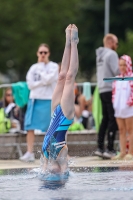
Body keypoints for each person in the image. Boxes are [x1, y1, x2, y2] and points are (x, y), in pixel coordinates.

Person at [41, 24, 79, 174]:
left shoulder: (45, 156)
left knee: (61, 76)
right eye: (53, 171)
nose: (51, 170)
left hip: (53, 114)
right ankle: (74, 43)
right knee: (69, 77)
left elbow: (42, 173)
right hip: (65, 117)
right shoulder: (62, 154)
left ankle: (67, 41)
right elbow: (65, 173)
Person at [20, 43, 59, 162]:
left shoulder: (53, 66)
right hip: (35, 99)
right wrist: (42, 81)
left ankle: (51, 151)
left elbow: (49, 80)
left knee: (51, 128)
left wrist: (41, 68)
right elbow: (30, 85)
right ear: (37, 53)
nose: (43, 55)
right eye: (41, 52)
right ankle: (29, 152)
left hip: (48, 99)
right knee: (30, 126)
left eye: (45, 52)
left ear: (48, 54)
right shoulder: (33, 67)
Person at [94, 33, 119, 159]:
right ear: (110, 42)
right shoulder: (112, 54)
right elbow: (116, 71)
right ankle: (109, 148)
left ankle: (100, 147)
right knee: (112, 118)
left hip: (101, 88)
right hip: (110, 88)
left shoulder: (100, 55)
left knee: (105, 118)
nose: (117, 46)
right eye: (116, 43)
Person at [112, 55, 133, 160]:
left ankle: (131, 152)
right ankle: (122, 152)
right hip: (119, 109)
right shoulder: (117, 79)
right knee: (121, 130)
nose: (122, 67)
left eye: (124, 65)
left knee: (130, 130)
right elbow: (114, 94)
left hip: (129, 109)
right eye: (120, 65)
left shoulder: (131, 77)